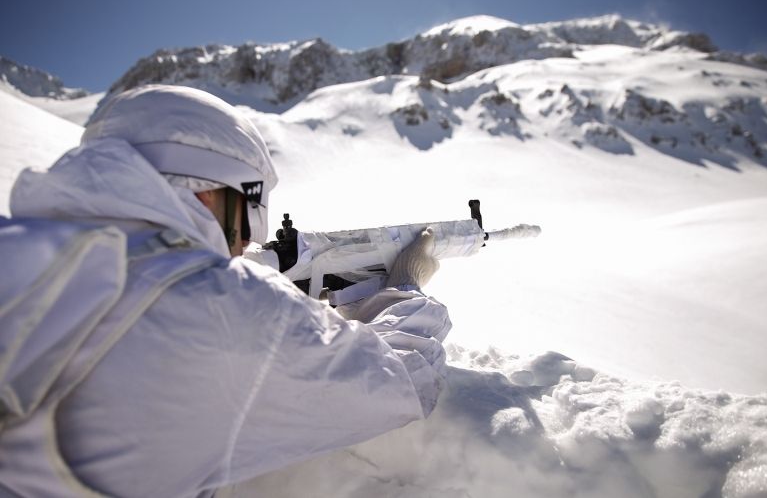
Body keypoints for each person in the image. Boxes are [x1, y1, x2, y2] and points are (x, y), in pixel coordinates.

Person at [0, 85, 450, 497]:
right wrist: (406, 283)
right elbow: (404, 378)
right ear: (211, 194)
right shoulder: (223, 304)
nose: (247, 244)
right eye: (250, 214)